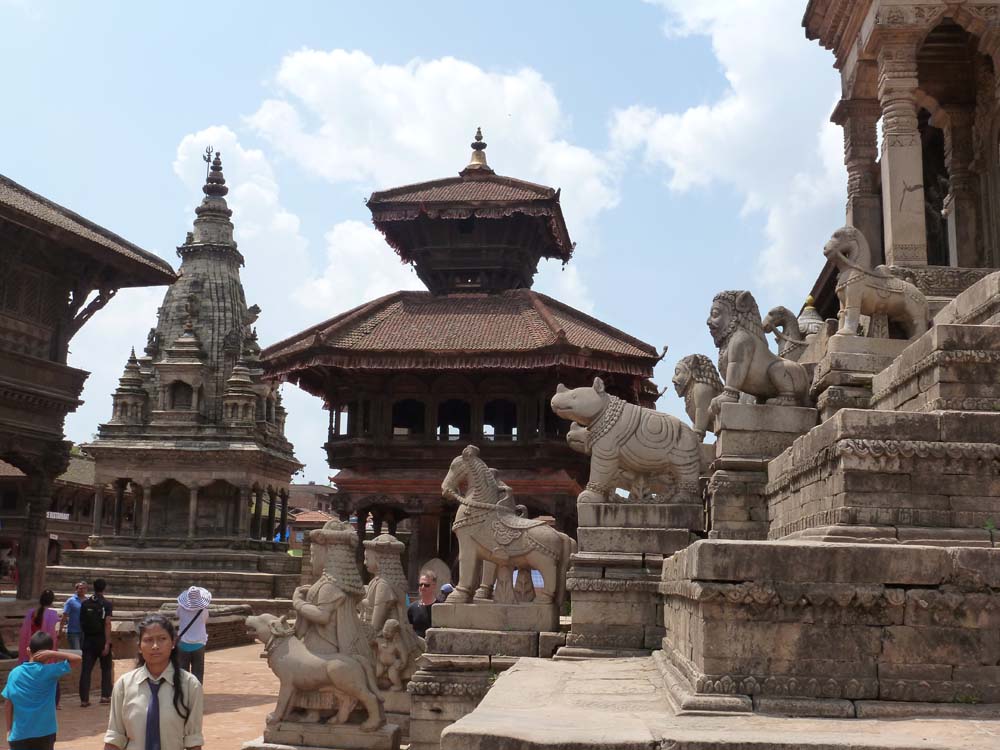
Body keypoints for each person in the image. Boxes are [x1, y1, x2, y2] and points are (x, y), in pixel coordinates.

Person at [103, 614, 204, 750]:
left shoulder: (190, 685)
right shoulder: (124, 685)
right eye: (148, 640)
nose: (155, 646)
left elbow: (194, 742)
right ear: (139, 646)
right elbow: (114, 738)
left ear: (173, 643)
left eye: (162, 639)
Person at [3, 631, 82, 750]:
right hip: (45, 733)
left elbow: (8, 704)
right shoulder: (50, 672)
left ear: (28, 650)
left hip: (19, 734)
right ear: (48, 654)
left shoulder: (14, 673)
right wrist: (53, 653)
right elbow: (77, 659)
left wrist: (9, 730)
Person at [79, 578, 113, 707]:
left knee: (86, 670)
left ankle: (84, 699)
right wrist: (107, 643)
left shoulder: (85, 603)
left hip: (88, 640)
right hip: (101, 639)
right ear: (104, 588)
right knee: (106, 668)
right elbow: (107, 623)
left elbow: (81, 622)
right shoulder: (106, 604)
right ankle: (105, 696)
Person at [175, 586, 211, 684]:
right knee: (198, 672)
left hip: (183, 643)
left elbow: (177, 616)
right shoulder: (204, 610)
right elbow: (205, 621)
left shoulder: (181, 608)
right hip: (199, 643)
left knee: (183, 672)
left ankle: (184, 692)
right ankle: (196, 692)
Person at [18, 590, 59, 664]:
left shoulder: (31, 612)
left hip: (32, 643)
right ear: (51, 601)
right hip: (44, 645)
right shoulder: (53, 614)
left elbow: (25, 631)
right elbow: (54, 634)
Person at [406, 570, 438, 638]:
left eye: (426, 585)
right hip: (418, 646)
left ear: (434, 586)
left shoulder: (440, 606)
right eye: (420, 584)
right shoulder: (412, 608)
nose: (423, 587)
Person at [58, 581, 88, 651]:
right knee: (76, 652)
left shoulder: (88, 601)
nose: (82, 590)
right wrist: (60, 630)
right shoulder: (70, 601)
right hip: (73, 632)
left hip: (85, 631)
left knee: (83, 653)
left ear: (86, 590)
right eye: (80, 588)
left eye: (84, 588)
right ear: (76, 589)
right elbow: (64, 616)